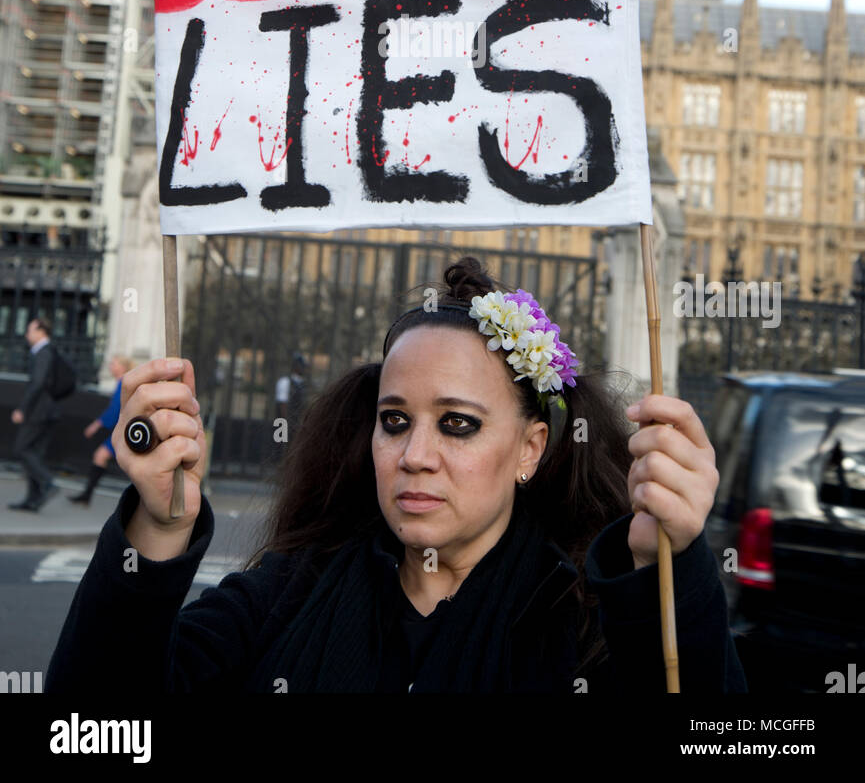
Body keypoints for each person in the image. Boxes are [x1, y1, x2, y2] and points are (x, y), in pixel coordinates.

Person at [45, 255, 748, 693]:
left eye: (458, 424)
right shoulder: (287, 594)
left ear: (531, 448)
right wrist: (157, 534)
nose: (415, 453)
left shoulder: (584, 623)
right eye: (394, 420)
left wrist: (668, 577)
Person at [8, 316, 61, 512]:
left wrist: (22, 409)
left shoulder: (44, 353)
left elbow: (37, 384)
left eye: (29, 330)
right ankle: (32, 500)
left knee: (21, 448)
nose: (26, 334)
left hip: (39, 412)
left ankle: (47, 483)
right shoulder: (47, 352)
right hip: (47, 411)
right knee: (34, 454)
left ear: (41, 331)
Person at [68, 355, 135, 506]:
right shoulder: (123, 383)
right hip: (123, 430)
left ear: (122, 367)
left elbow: (115, 410)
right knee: (101, 456)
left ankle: (87, 495)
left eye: (114, 363)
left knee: (103, 456)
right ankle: (86, 495)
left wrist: (96, 425)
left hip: (123, 431)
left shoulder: (124, 383)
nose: (111, 366)